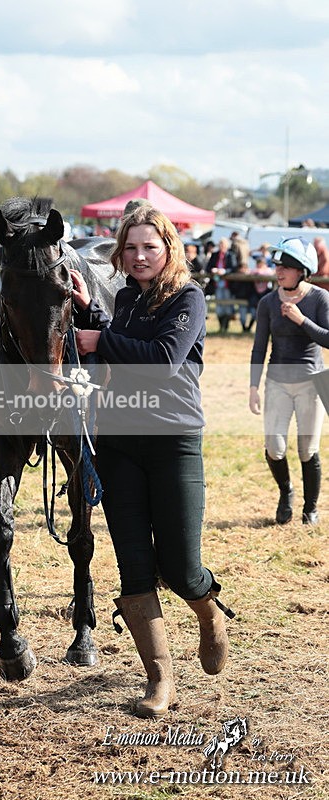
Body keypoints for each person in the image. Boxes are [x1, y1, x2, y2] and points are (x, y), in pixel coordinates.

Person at [70, 205, 233, 718]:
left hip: (173, 441)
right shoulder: (121, 299)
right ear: (120, 253)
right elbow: (123, 344)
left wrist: (100, 338)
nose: (140, 256)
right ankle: (159, 680)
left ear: (169, 249)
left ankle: (209, 613)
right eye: (132, 248)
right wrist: (94, 317)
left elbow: (162, 359)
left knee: (182, 568)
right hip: (119, 442)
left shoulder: (188, 297)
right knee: (134, 567)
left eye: (150, 247)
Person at [249, 237, 329, 525]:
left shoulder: (319, 298)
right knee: (274, 447)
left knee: (308, 449)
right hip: (277, 382)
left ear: (302, 270)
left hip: (314, 383)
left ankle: (311, 508)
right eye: (277, 265)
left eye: (286, 266)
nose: (278, 270)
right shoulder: (267, 302)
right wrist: (253, 386)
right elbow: (259, 346)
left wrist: (301, 321)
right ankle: (286, 492)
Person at [206, 237, 237, 332]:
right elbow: (208, 267)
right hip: (217, 283)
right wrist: (213, 270)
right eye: (220, 244)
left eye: (223, 244)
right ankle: (221, 326)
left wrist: (224, 271)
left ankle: (226, 326)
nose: (221, 246)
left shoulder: (230, 255)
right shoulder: (215, 255)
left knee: (227, 305)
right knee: (219, 306)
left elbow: (233, 267)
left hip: (227, 284)